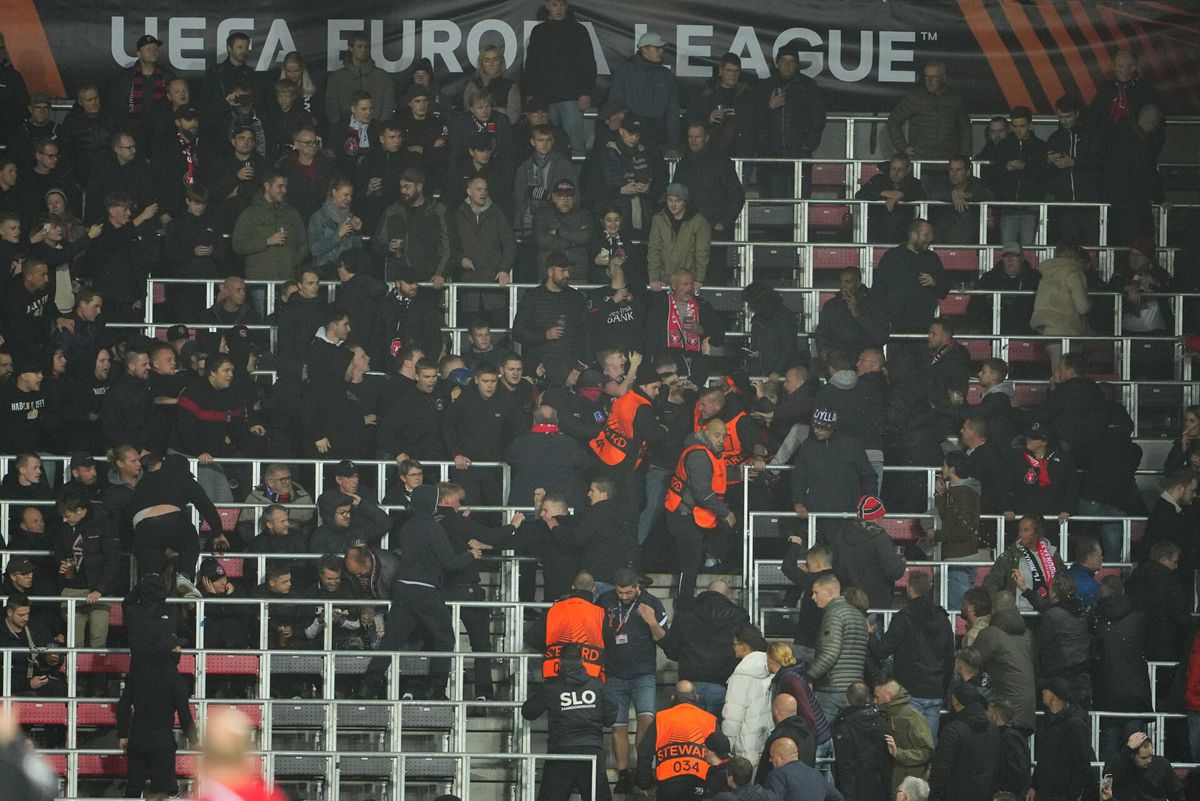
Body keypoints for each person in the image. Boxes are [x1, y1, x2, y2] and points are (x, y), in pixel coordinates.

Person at [361, 484, 480, 700]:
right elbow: (448, 562)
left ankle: (369, 682)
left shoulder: (408, 526)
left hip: (403, 588)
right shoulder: (433, 528)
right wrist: (471, 555)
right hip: (425, 589)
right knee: (444, 639)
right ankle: (437, 689)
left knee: (392, 640)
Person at [598, 569, 667, 792]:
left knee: (646, 719)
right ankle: (624, 774)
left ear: (638, 587)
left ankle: (644, 770)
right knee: (618, 726)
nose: (624, 596)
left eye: (628, 592)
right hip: (614, 673)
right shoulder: (605, 600)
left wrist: (651, 621)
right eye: (620, 592)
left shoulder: (652, 603)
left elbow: (663, 638)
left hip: (643, 673)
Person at [522, 642, 616, 801]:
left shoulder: (551, 687)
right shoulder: (597, 685)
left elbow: (528, 712)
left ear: (560, 662)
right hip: (591, 751)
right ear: (582, 661)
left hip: (561, 752)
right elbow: (610, 718)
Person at [870, 571, 953, 738]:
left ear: (909, 589)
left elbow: (882, 651)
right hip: (935, 690)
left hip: (910, 691)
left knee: (908, 743)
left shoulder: (903, 618)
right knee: (928, 745)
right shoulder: (943, 619)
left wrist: (870, 635)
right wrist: (943, 689)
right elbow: (949, 658)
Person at [117, 636, 198, 801]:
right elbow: (184, 715)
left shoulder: (137, 675)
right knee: (160, 792)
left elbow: (123, 706)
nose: (179, 652)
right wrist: (194, 740)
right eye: (176, 649)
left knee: (133, 789)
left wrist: (123, 734)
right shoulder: (176, 681)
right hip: (161, 742)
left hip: (137, 739)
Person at [666, 418, 735, 601]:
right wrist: (725, 512)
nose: (721, 440)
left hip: (694, 514)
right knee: (691, 561)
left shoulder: (709, 452)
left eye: (724, 436)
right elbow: (702, 492)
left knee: (695, 557)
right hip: (683, 514)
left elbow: (719, 475)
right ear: (706, 433)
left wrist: (742, 471)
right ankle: (684, 603)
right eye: (717, 435)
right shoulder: (699, 455)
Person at [660, 578, 749, 717]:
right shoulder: (738, 615)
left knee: (690, 735)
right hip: (723, 683)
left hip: (690, 686)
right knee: (718, 735)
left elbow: (672, 651)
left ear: (705, 592)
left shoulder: (685, 613)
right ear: (729, 596)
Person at [522, 0, 596, 158]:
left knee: (576, 146)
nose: (559, 9)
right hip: (544, 100)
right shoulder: (539, 31)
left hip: (571, 98)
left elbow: (588, 63)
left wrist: (586, 92)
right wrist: (531, 96)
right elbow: (531, 66)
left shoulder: (578, 30)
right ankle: (547, 182)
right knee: (545, 146)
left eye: (562, 5)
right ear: (547, 6)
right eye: (555, 5)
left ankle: (576, 182)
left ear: (567, 6)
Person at [50, 491, 121, 649]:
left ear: (80, 511)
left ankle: (96, 674)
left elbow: (113, 561)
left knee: (98, 642)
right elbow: (58, 550)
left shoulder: (105, 524)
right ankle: (76, 674)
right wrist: (59, 564)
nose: (64, 519)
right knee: (74, 644)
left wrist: (99, 590)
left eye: (67, 516)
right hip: (72, 589)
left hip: (99, 592)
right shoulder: (63, 525)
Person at [790, 409, 877, 533]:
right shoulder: (807, 446)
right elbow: (798, 477)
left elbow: (868, 477)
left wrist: (868, 506)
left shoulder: (851, 445)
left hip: (847, 514)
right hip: (816, 514)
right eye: (815, 426)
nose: (816, 431)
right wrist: (798, 502)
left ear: (833, 428)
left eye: (821, 428)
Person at [760, 44, 826, 199]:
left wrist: (808, 145)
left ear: (797, 64)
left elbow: (818, 117)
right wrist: (769, 106)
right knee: (776, 206)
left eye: (791, 61)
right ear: (777, 63)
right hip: (773, 154)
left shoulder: (808, 86)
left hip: (800, 153)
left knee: (802, 203)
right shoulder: (765, 86)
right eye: (783, 61)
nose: (787, 65)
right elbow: (755, 117)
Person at [635, 681, 718, 800]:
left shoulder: (661, 718)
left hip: (667, 783)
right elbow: (722, 751)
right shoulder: (709, 719)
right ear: (696, 697)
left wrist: (645, 783)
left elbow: (644, 752)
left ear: (673, 698)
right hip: (699, 781)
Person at [808, 574, 869, 723]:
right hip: (854, 690)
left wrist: (808, 675)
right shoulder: (858, 615)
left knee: (823, 738)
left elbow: (830, 653)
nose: (812, 597)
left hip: (832, 689)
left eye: (816, 593)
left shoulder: (834, 614)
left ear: (829, 592)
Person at [828, 494, 907, 610]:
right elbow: (893, 571)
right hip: (876, 603)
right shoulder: (879, 537)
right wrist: (901, 562)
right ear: (877, 516)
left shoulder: (840, 535)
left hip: (847, 601)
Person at [871, 219, 948, 336]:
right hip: (895, 325)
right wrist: (883, 320)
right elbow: (878, 291)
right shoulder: (892, 257)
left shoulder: (932, 258)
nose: (931, 238)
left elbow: (944, 290)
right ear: (913, 235)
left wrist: (934, 283)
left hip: (924, 325)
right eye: (926, 235)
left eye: (931, 235)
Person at [973, 591, 1037, 733]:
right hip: (1027, 713)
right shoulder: (1027, 634)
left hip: (1003, 714)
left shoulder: (990, 634)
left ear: (993, 610)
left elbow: (970, 665)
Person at [986, 106, 1049, 248]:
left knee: (1028, 250)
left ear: (1030, 125)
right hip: (1008, 206)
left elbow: (1044, 175)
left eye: (1022, 126)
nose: (1018, 130)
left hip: (1031, 206)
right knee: (1008, 250)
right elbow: (990, 173)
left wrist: (1026, 168)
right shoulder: (1003, 146)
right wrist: (1006, 167)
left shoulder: (1040, 147)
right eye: (1015, 126)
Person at [886, 59, 973, 161]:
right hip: (920, 159)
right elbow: (893, 121)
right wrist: (903, 148)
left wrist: (963, 156)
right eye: (926, 76)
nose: (929, 81)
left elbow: (966, 129)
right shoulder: (915, 97)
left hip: (949, 161)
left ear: (943, 78)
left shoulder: (955, 100)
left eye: (934, 77)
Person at [609, 32, 680, 150]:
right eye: (657, 48)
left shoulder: (667, 76)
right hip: (630, 132)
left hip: (656, 137)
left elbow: (672, 112)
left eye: (661, 48)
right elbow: (615, 103)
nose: (661, 51)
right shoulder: (625, 73)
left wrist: (672, 144)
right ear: (644, 49)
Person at [231, 171, 307, 282]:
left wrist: (292, 261)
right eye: (280, 186)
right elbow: (238, 245)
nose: (284, 190)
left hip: (288, 280)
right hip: (260, 280)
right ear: (267, 186)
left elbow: (304, 244)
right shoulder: (250, 214)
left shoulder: (292, 213)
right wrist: (267, 241)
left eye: (286, 186)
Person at [1030, 678, 1096, 801]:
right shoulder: (1049, 720)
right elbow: (1043, 757)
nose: (1042, 692)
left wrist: (1072, 795)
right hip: (1045, 792)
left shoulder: (1076, 724)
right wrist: (1034, 786)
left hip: (1062, 794)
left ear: (1053, 697)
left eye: (1046, 690)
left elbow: (1081, 764)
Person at [1126, 540, 1192, 663]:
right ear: (1163, 559)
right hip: (1167, 643)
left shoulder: (1133, 580)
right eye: (1174, 562)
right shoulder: (1172, 583)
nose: (1176, 567)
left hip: (1137, 641)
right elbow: (1181, 617)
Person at [1030, 244, 1092, 371]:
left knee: (1058, 373)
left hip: (1048, 331)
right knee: (1064, 376)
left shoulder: (1047, 273)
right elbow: (1083, 307)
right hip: (1068, 331)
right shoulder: (1072, 272)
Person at [720, 624, 773, 766]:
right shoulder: (769, 667)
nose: (733, 647)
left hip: (746, 746)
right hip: (767, 740)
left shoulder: (741, 674)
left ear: (745, 646)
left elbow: (733, 715)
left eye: (735, 644)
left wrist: (727, 746)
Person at [831, 682, 892, 801]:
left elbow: (845, 765)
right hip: (880, 788)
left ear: (846, 699)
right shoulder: (882, 723)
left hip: (855, 789)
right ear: (869, 698)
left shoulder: (844, 726)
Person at [873, 679, 935, 792]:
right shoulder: (886, 716)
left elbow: (926, 752)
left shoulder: (914, 719)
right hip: (895, 779)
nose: (874, 701)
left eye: (877, 697)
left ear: (887, 696)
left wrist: (899, 753)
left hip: (910, 785)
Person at [0, 592, 66, 697]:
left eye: (27, 614)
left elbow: (52, 649)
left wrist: (51, 660)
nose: (26, 618)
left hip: (38, 680)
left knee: (62, 690)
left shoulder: (36, 626)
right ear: (9, 612)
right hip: (10, 685)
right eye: (21, 615)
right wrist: (27, 684)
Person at [815, 268, 889, 362]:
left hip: (865, 362)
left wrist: (858, 315)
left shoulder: (874, 304)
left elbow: (881, 337)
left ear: (858, 284)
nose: (843, 286)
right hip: (839, 363)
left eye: (847, 282)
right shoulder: (831, 305)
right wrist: (826, 353)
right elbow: (822, 333)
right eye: (841, 282)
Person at [324, 31, 395, 128]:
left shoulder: (382, 77)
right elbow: (332, 108)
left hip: (376, 131)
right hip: (344, 132)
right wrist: (340, 129)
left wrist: (379, 128)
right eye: (359, 46)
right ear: (350, 48)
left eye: (367, 47)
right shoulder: (336, 78)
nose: (364, 50)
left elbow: (388, 106)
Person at [647, 182, 711, 288]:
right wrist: (653, 278)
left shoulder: (699, 221)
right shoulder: (658, 219)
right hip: (664, 280)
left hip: (688, 280)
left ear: (685, 202)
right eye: (670, 200)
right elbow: (653, 250)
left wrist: (699, 279)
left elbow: (702, 253)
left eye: (678, 201)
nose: (673, 204)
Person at [856, 154, 926, 245]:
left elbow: (921, 195)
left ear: (908, 170)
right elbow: (860, 195)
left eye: (900, 169)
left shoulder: (914, 183)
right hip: (876, 236)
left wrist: (901, 195)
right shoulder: (879, 180)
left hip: (904, 238)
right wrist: (884, 193)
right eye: (893, 169)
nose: (895, 173)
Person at [927, 155, 994, 245]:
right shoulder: (941, 183)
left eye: (958, 170)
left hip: (972, 237)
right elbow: (932, 195)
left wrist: (968, 195)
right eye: (951, 170)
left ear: (967, 172)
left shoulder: (977, 183)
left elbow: (989, 195)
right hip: (944, 236)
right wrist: (951, 195)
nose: (954, 174)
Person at [1102, 730, 1185, 801]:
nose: (1149, 760)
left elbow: (1178, 795)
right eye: (1143, 758)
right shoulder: (1121, 764)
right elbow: (1108, 775)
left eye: (1151, 755)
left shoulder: (1162, 764)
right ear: (1131, 755)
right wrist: (1127, 749)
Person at [534, 178, 593, 276]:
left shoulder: (584, 214)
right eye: (561, 196)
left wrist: (558, 232)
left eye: (569, 196)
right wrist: (573, 242)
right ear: (553, 197)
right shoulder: (542, 214)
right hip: (549, 274)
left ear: (574, 198)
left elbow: (585, 237)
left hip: (577, 272)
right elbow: (541, 240)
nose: (566, 200)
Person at [762, 737, 845, 801]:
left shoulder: (778, 775)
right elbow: (837, 798)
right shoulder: (815, 774)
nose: (770, 760)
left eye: (772, 756)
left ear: (781, 756)